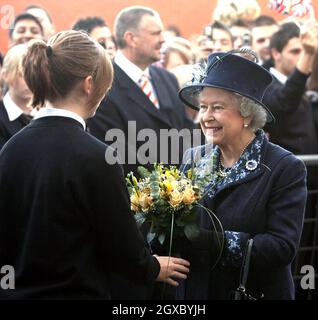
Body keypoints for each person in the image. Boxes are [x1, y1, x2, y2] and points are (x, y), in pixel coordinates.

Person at [0, 30, 190, 299]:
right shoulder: (97, 157)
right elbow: (121, 246)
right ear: (89, 84)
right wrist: (152, 267)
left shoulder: (11, 149)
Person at [177, 50, 307, 299]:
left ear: (246, 113)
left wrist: (211, 243)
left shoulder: (284, 167)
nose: (206, 117)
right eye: (203, 107)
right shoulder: (193, 158)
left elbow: (281, 247)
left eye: (217, 107)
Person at [0, 44, 33, 150]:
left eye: (34, 73)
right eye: (21, 74)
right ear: (5, 75)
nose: (29, 81)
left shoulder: (48, 111)